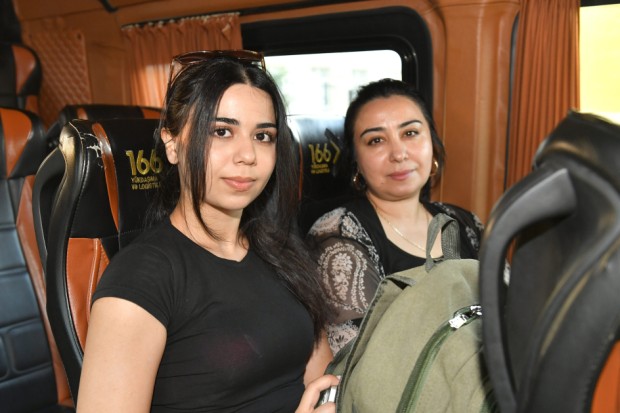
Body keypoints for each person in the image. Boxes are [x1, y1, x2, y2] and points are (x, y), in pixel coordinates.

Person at [77, 50, 338, 412]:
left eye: (263, 136)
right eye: (221, 131)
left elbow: (323, 379)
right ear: (172, 144)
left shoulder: (281, 250)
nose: (247, 155)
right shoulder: (142, 278)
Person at [306, 78, 484, 355]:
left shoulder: (465, 222)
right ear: (356, 161)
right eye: (376, 140)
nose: (399, 154)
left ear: (432, 144)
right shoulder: (338, 236)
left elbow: (513, 308)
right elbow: (366, 359)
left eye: (410, 133)